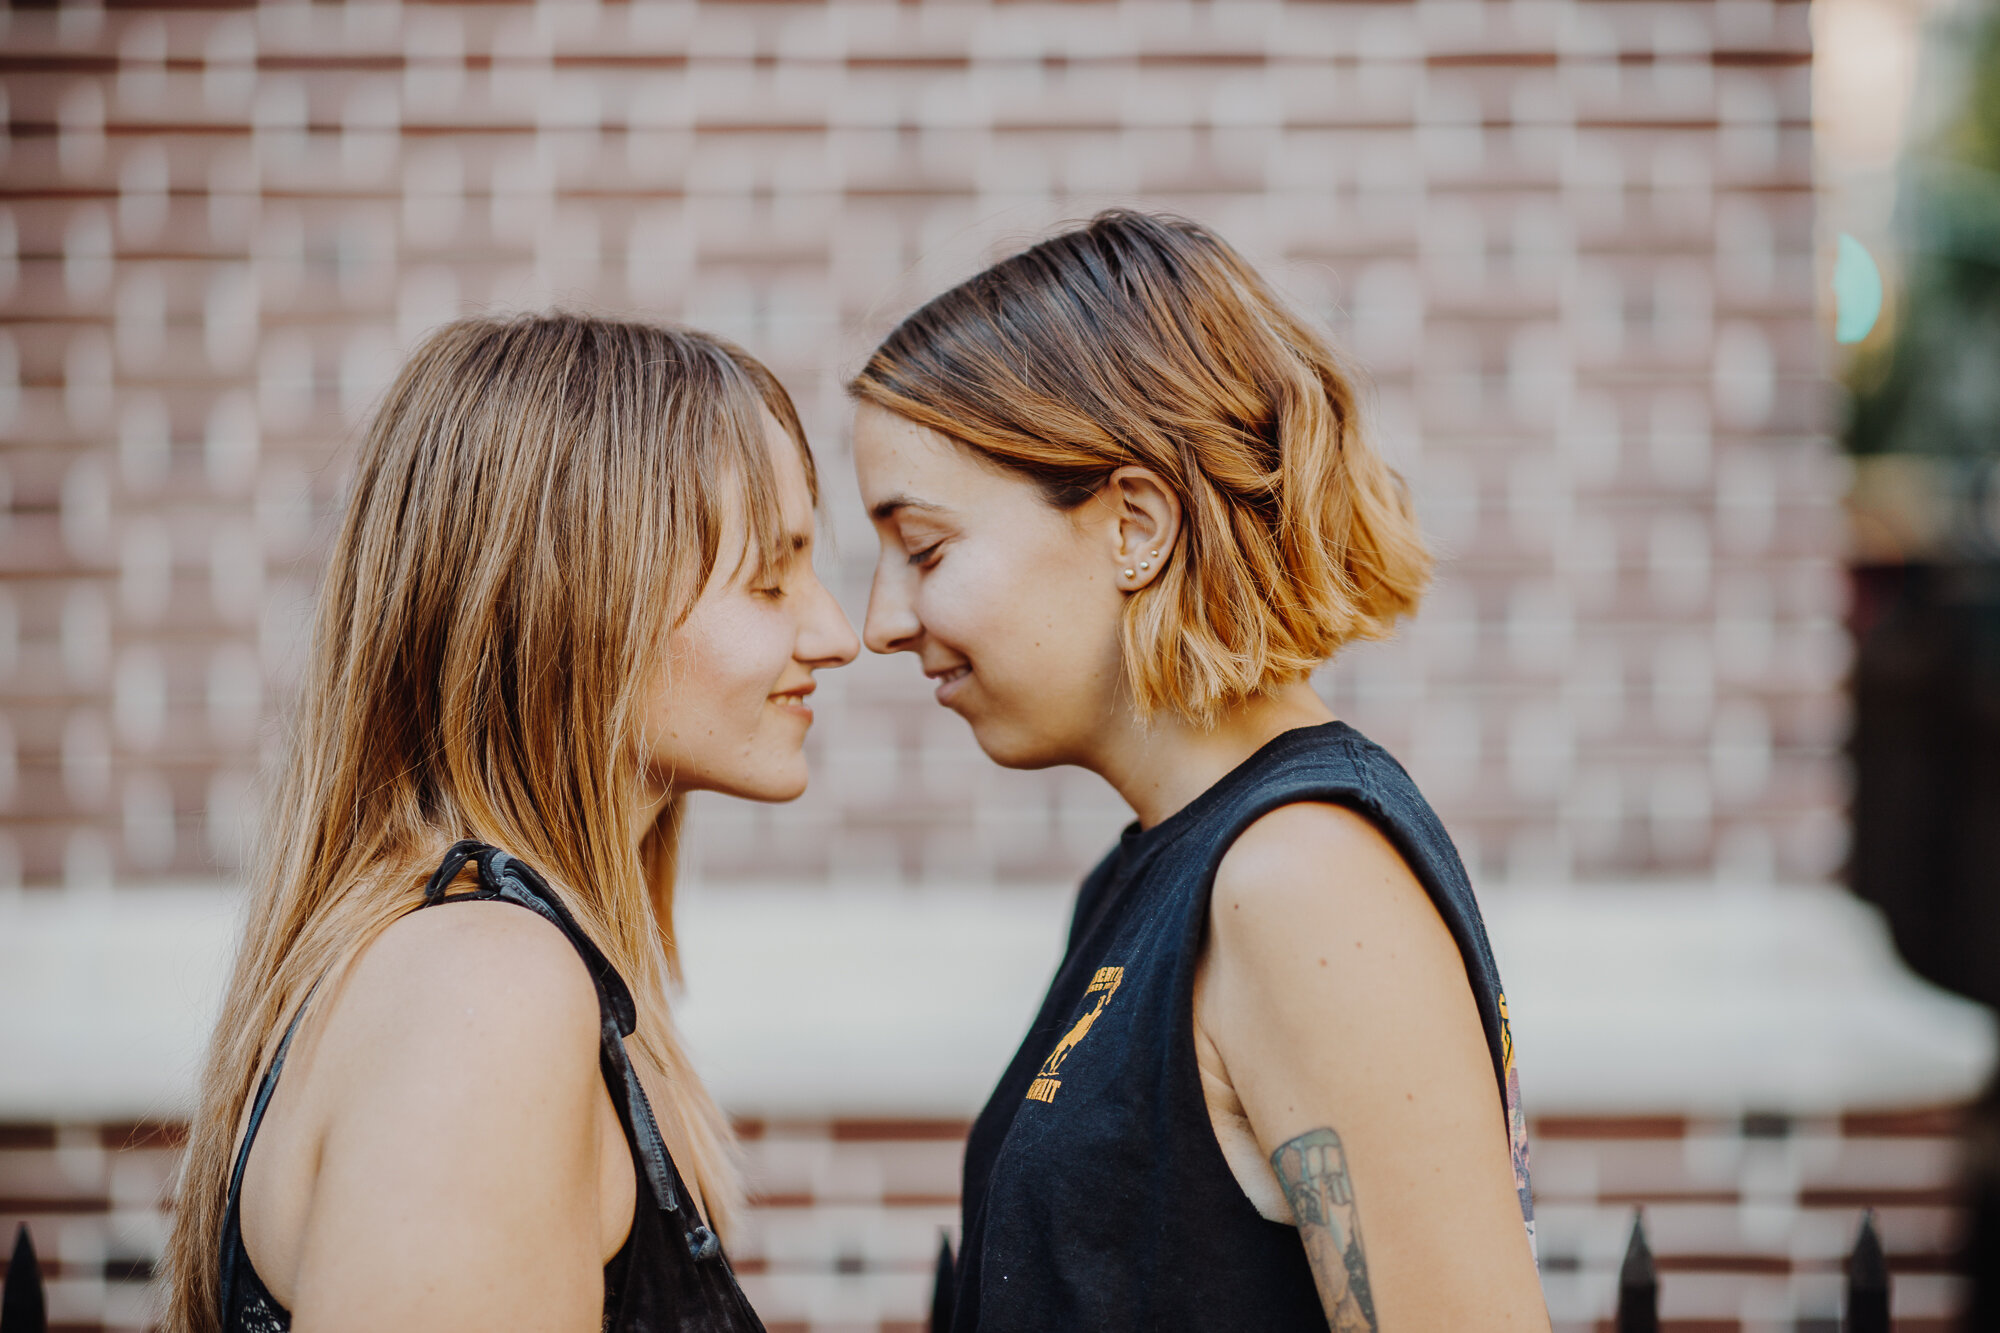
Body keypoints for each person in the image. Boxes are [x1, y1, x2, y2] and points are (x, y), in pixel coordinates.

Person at [849, 212, 1547, 1331]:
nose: (881, 620)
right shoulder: (1166, 867)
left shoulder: (1304, 881)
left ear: (1134, 522)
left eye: (924, 548)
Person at [161, 314, 859, 1333]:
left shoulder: (481, 965)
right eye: (769, 578)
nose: (834, 631)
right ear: (582, 601)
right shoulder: (483, 991)